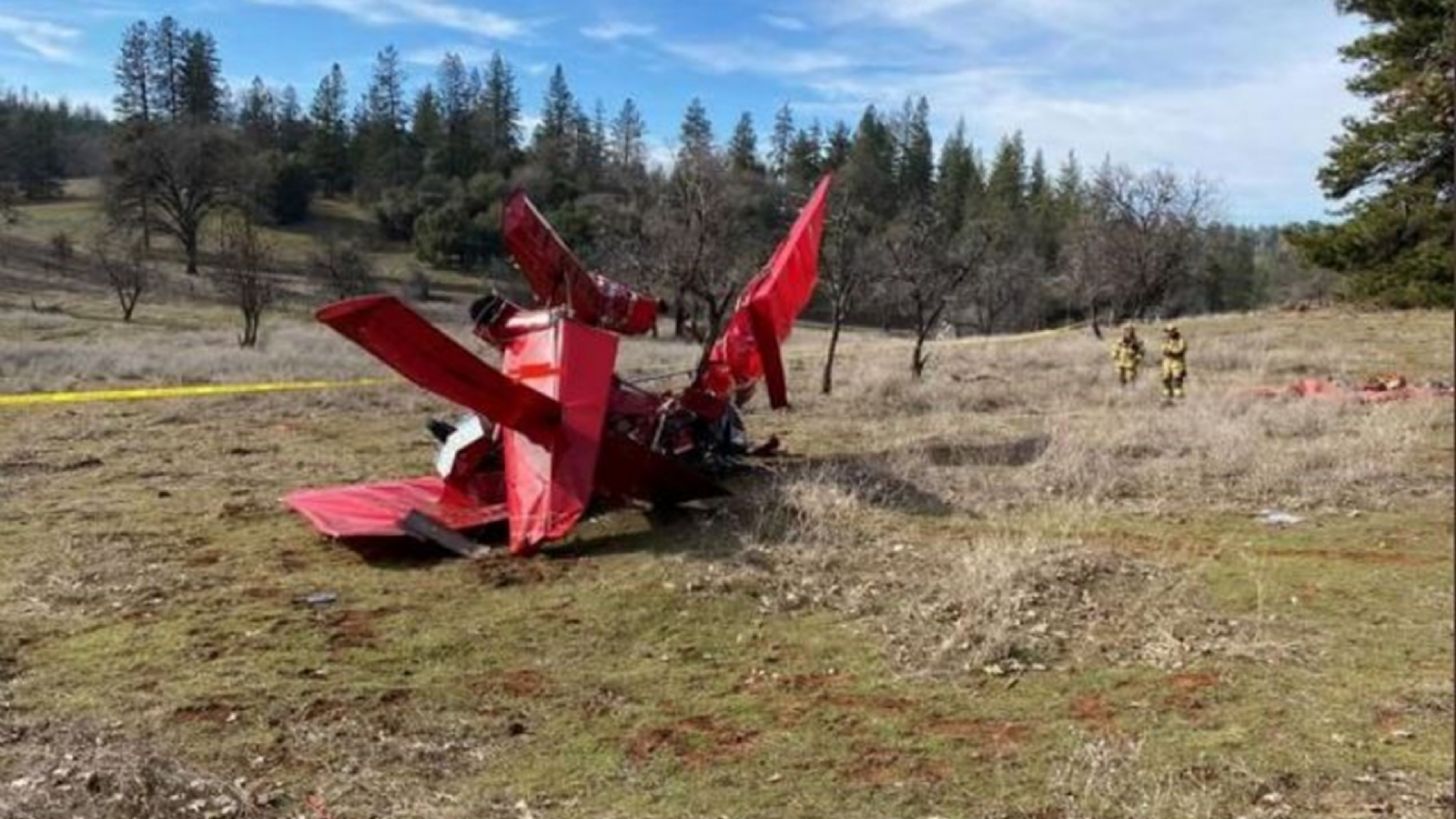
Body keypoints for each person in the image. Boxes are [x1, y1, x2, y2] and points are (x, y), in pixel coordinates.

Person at [1161, 324, 1188, 400]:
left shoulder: (1180, 339)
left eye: (1170, 331)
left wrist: (1171, 350)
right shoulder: (1165, 340)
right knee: (1165, 378)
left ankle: (1178, 395)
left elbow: (1180, 350)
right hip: (1167, 361)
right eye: (1167, 331)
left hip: (1177, 361)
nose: (1169, 333)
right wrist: (1167, 350)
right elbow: (1163, 349)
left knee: (1177, 378)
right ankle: (1167, 394)